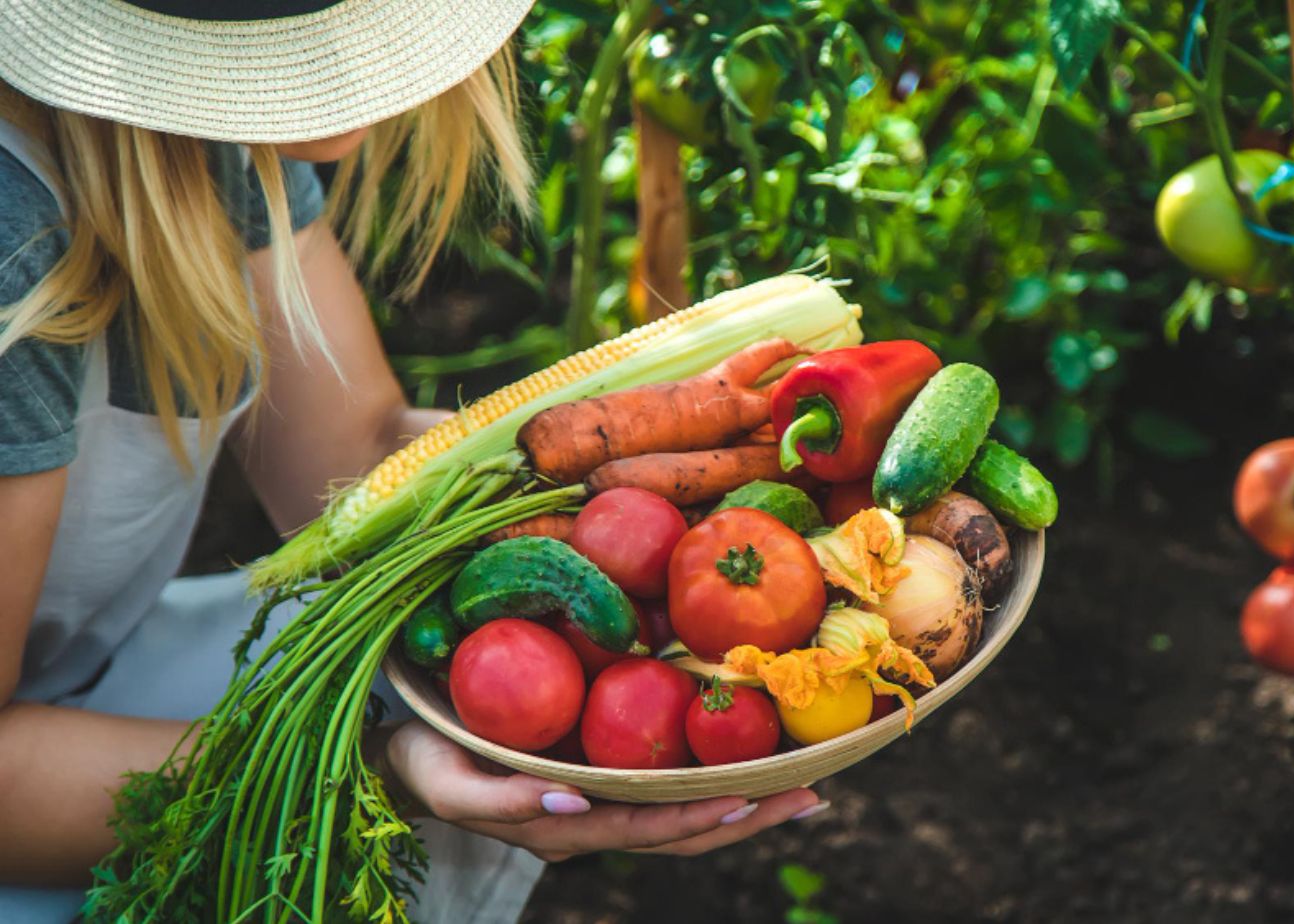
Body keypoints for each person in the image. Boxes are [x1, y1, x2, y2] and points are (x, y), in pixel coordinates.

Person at [0, 2, 823, 921]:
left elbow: (352, 453)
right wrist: (369, 766)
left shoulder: (198, 149)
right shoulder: (13, 241)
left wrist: (653, 440)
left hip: (87, 673)